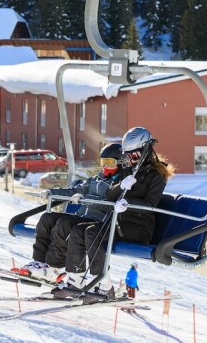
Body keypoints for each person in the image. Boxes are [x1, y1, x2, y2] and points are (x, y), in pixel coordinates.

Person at [62, 127, 174, 299]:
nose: (131, 160)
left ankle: (103, 285)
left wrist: (128, 204)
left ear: (145, 150)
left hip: (139, 227)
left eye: (134, 156)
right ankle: (76, 278)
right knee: (78, 231)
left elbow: (151, 203)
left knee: (93, 232)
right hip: (118, 222)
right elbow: (110, 195)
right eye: (128, 156)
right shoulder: (128, 171)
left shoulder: (157, 174)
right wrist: (120, 186)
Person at [19, 143, 125, 283]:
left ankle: (55, 268)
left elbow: (112, 203)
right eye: (102, 162)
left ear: (121, 163)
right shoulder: (96, 178)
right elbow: (75, 190)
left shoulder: (122, 183)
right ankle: (39, 262)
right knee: (47, 218)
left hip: (97, 221)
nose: (105, 166)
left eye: (109, 162)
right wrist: (53, 192)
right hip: (82, 216)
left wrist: (86, 199)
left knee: (64, 224)